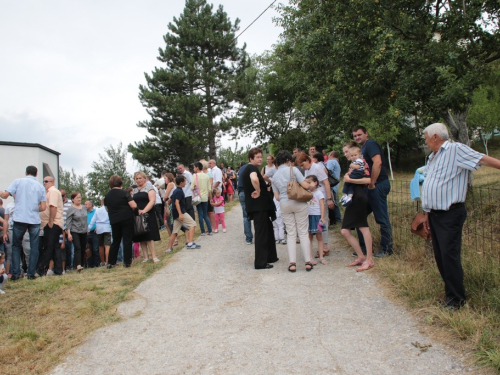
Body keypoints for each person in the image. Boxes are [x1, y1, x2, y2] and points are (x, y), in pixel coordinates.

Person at [421, 123, 500, 309]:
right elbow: (431, 184)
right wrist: (426, 213)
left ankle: (456, 300)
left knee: (449, 256)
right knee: (441, 256)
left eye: (425, 138)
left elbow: (484, 160)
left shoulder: (455, 150)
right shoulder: (432, 157)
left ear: (435, 137)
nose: (424, 141)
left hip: (450, 214)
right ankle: (450, 295)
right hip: (434, 214)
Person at [352, 126, 393, 257]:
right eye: (355, 136)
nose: (357, 137)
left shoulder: (371, 144)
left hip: (378, 185)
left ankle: (387, 249)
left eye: (359, 134)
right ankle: (364, 248)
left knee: (381, 218)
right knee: (359, 215)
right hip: (370, 187)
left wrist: (372, 182)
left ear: (366, 134)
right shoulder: (362, 149)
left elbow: (378, 162)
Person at [0, 165, 46, 280]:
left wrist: (1, 192)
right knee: (34, 247)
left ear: (26, 173)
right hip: (34, 219)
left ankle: (15, 274)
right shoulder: (40, 186)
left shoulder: (18, 182)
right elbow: (43, 207)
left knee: (16, 246)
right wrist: (33, 208)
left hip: (20, 218)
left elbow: (5, 196)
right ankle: (31, 274)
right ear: (36, 174)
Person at [271, 150, 313, 272]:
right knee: (303, 232)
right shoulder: (293, 170)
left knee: (290, 234)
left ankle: (292, 263)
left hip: (284, 203)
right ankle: (307, 262)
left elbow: (277, 197)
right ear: (288, 160)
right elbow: (305, 185)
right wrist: (311, 185)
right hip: (298, 202)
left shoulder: (274, 177)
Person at [241, 147, 278, 269]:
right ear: (251, 158)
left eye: (261, 157)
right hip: (259, 207)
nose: (260, 159)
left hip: (261, 207)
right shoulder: (251, 168)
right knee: (261, 233)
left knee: (267, 231)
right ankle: (260, 263)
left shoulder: (252, 168)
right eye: (257, 157)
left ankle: (271, 256)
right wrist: (258, 190)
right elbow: (254, 178)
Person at [341, 142, 374, 272]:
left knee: (363, 227)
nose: (346, 154)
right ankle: (361, 256)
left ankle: (369, 259)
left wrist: (350, 180)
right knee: (345, 231)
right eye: (344, 153)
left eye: (347, 152)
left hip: (359, 197)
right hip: (352, 198)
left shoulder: (362, 163)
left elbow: (368, 180)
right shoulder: (353, 165)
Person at [296, 152, 334, 257]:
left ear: (308, 160)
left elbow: (326, 182)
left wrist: (329, 198)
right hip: (312, 200)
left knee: (322, 221)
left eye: (303, 165)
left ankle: (325, 246)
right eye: (300, 166)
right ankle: (321, 246)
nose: (302, 167)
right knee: (316, 223)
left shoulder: (317, 167)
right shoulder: (307, 170)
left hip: (321, 197)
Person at [104, 175, 137, 268]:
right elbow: (133, 205)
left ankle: (111, 262)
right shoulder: (124, 193)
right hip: (126, 218)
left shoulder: (107, 196)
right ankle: (127, 262)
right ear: (120, 183)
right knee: (127, 240)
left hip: (114, 219)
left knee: (115, 241)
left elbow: (107, 208)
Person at [166, 175, 201, 252]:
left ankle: (169, 248)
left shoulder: (175, 190)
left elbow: (169, 200)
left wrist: (168, 208)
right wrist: (180, 214)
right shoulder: (179, 191)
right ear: (181, 182)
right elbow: (177, 202)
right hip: (180, 212)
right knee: (193, 224)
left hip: (175, 214)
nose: (185, 183)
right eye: (185, 181)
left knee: (175, 231)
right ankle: (190, 243)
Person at [37, 176, 64, 276]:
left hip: (53, 223)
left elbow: (53, 206)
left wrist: (51, 221)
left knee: (48, 247)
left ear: (52, 182)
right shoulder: (48, 192)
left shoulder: (52, 191)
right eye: (43, 181)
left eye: (46, 181)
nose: (44, 183)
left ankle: (42, 269)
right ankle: (58, 269)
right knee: (55, 247)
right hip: (51, 223)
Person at [132, 172, 161, 263]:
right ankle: (145, 257)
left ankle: (154, 256)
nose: (138, 180)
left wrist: (144, 210)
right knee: (141, 236)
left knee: (150, 236)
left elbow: (152, 201)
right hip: (138, 215)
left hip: (148, 213)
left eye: (140, 178)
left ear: (144, 179)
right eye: (137, 178)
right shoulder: (134, 190)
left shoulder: (149, 188)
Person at [305, 175, 327, 265]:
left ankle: (321, 256)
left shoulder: (319, 193)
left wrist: (322, 217)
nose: (308, 184)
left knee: (319, 237)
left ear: (316, 183)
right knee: (309, 237)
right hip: (308, 216)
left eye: (309, 182)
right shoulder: (306, 193)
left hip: (317, 216)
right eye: (306, 183)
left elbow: (322, 205)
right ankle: (310, 257)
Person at [65, 192, 87, 272]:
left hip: (84, 231)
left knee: (83, 247)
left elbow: (85, 219)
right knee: (77, 247)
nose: (79, 199)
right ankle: (78, 265)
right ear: (73, 199)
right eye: (77, 197)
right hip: (74, 231)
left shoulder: (84, 207)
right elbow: (68, 221)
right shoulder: (71, 209)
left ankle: (81, 264)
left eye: (80, 197)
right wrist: (69, 233)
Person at [191, 162, 212, 236]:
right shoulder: (206, 176)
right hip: (205, 197)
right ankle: (210, 230)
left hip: (198, 197)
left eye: (194, 167)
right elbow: (209, 188)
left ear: (197, 167)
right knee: (205, 214)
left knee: (200, 214)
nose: (193, 168)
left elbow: (191, 187)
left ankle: (203, 231)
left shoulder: (195, 176)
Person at [89, 199, 112, 266]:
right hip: (107, 228)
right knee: (107, 246)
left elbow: (93, 220)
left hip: (99, 229)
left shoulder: (97, 210)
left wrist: (88, 229)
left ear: (102, 202)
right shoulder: (108, 210)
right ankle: (108, 261)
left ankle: (102, 262)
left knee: (100, 246)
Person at [237, 161, 253, 245]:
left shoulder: (241, 170)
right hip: (249, 192)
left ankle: (248, 238)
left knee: (245, 216)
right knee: (256, 214)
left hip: (242, 192)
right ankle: (259, 236)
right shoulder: (251, 168)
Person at [326, 151, 342, 224]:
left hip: (331, 185)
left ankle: (336, 219)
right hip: (336, 185)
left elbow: (327, 171)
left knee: (333, 202)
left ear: (331, 154)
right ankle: (338, 218)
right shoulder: (337, 163)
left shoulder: (331, 161)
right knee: (335, 202)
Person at [60, 189, 74, 270]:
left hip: (69, 229)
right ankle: (61, 267)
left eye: (63, 195)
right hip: (59, 229)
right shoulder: (57, 202)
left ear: (65, 195)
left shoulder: (70, 203)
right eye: (60, 195)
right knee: (60, 249)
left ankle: (69, 266)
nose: (61, 197)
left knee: (70, 249)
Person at [85, 200, 100, 267]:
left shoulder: (96, 212)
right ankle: (90, 265)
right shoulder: (84, 213)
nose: (85, 206)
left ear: (91, 205)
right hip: (87, 233)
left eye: (86, 204)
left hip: (94, 232)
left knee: (95, 248)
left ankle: (97, 263)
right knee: (89, 249)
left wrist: (97, 227)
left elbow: (99, 220)